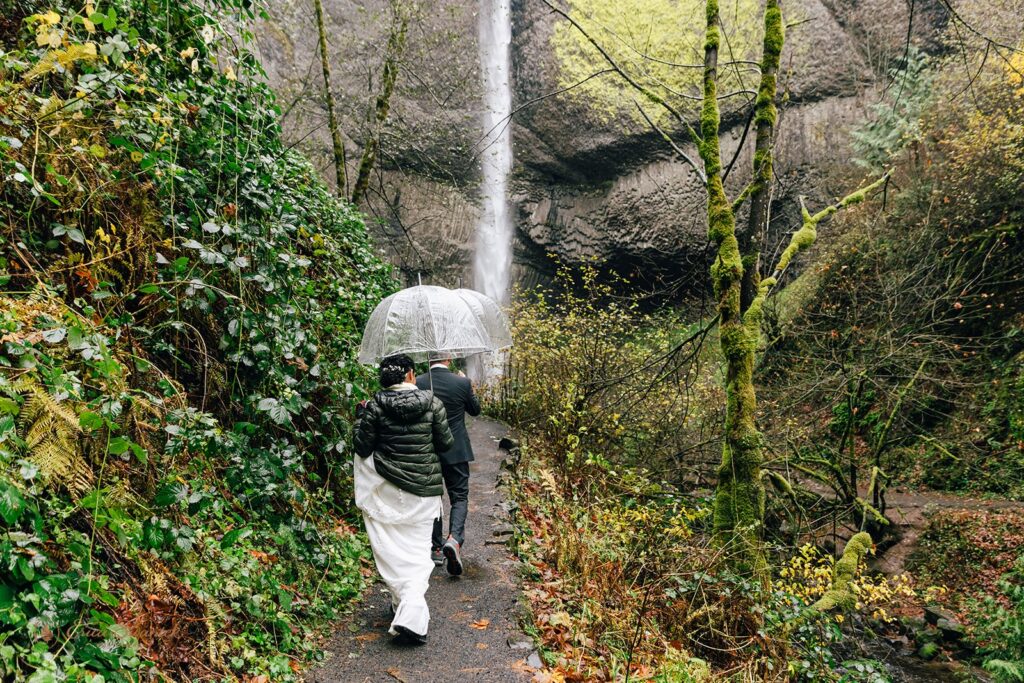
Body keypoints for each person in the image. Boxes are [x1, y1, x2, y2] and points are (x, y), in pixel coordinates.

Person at [353, 354, 453, 644]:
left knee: (394, 550)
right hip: (423, 491)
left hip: (388, 490)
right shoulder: (432, 402)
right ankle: (410, 615)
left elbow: (362, 446)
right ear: (410, 375)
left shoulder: (374, 407)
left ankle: (405, 608)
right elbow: (446, 444)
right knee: (418, 552)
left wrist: (362, 418)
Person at [415, 356, 480, 576]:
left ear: (428, 358)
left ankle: (435, 547)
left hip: (429, 450)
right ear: (448, 358)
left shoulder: (419, 382)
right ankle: (454, 539)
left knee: (433, 497)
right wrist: (467, 383)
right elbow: (475, 410)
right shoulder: (461, 383)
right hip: (457, 449)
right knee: (459, 496)